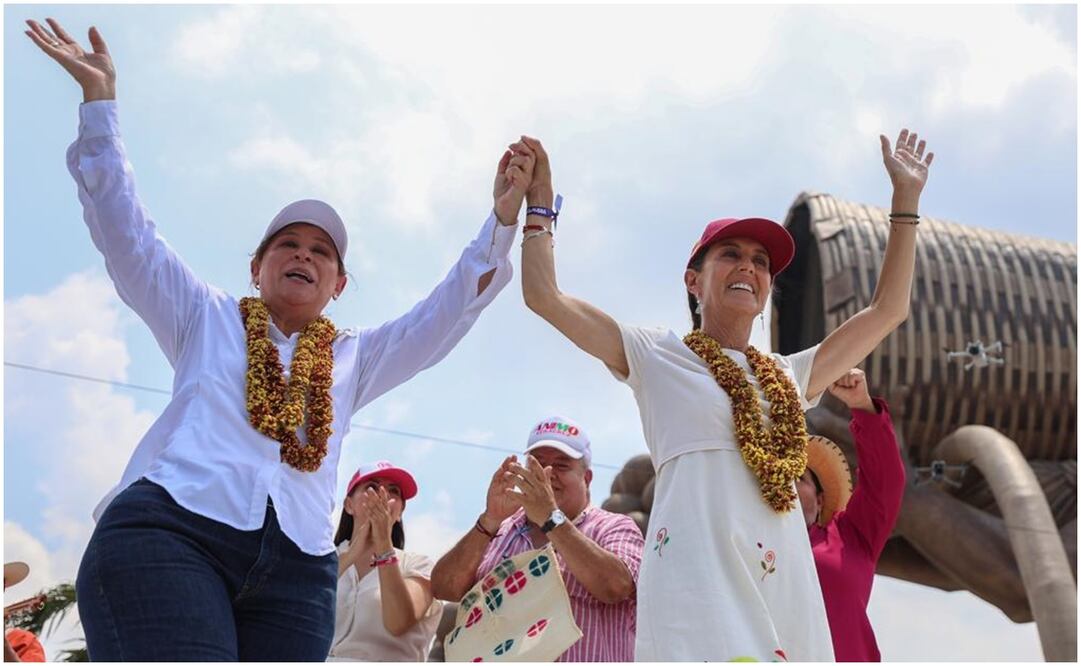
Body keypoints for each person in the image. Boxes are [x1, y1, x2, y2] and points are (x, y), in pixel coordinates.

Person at [25, 18, 533, 661]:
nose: (303, 255)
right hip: (174, 534)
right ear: (255, 269)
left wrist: (504, 217)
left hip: (297, 571)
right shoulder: (204, 316)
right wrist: (101, 109)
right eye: (286, 244)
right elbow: (128, 235)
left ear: (338, 284)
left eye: (321, 251)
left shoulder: (356, 356)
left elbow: (445, 314)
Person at [515, 129, 933, 661]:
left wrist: (906, 203)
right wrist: (541, 206)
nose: (748, 268)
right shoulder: (655, 355)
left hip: (781, 589)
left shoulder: (787, 375)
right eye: (730, 255)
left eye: (761, 262)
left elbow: (888, 311)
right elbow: (543, 296)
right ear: (694, 280)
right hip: (698, 591)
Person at [430, 416, 644, 662]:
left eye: (562, 466)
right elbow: (443, 588)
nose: (548, 474)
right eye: (538, 465)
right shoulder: (498, 529)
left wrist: (551, 519)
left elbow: (616, 587)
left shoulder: (613, 526)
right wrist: (488, 519)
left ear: (587, 479)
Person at [799, 368, 905, 662]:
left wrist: (861, 405)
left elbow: (884, 482)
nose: (787, 484)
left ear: (820, 501)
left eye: (799, 478)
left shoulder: (849, 536)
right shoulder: (741, 534)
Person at [327, 462, 443, 661]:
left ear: (400, 512)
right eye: (371, 487)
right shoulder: (324, 560)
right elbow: (296, 609)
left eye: (394, 491)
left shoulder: (418, 565)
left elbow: (398, 622)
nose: (383, 494)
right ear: (349, 505)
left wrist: (383, 546)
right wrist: (351, 555)